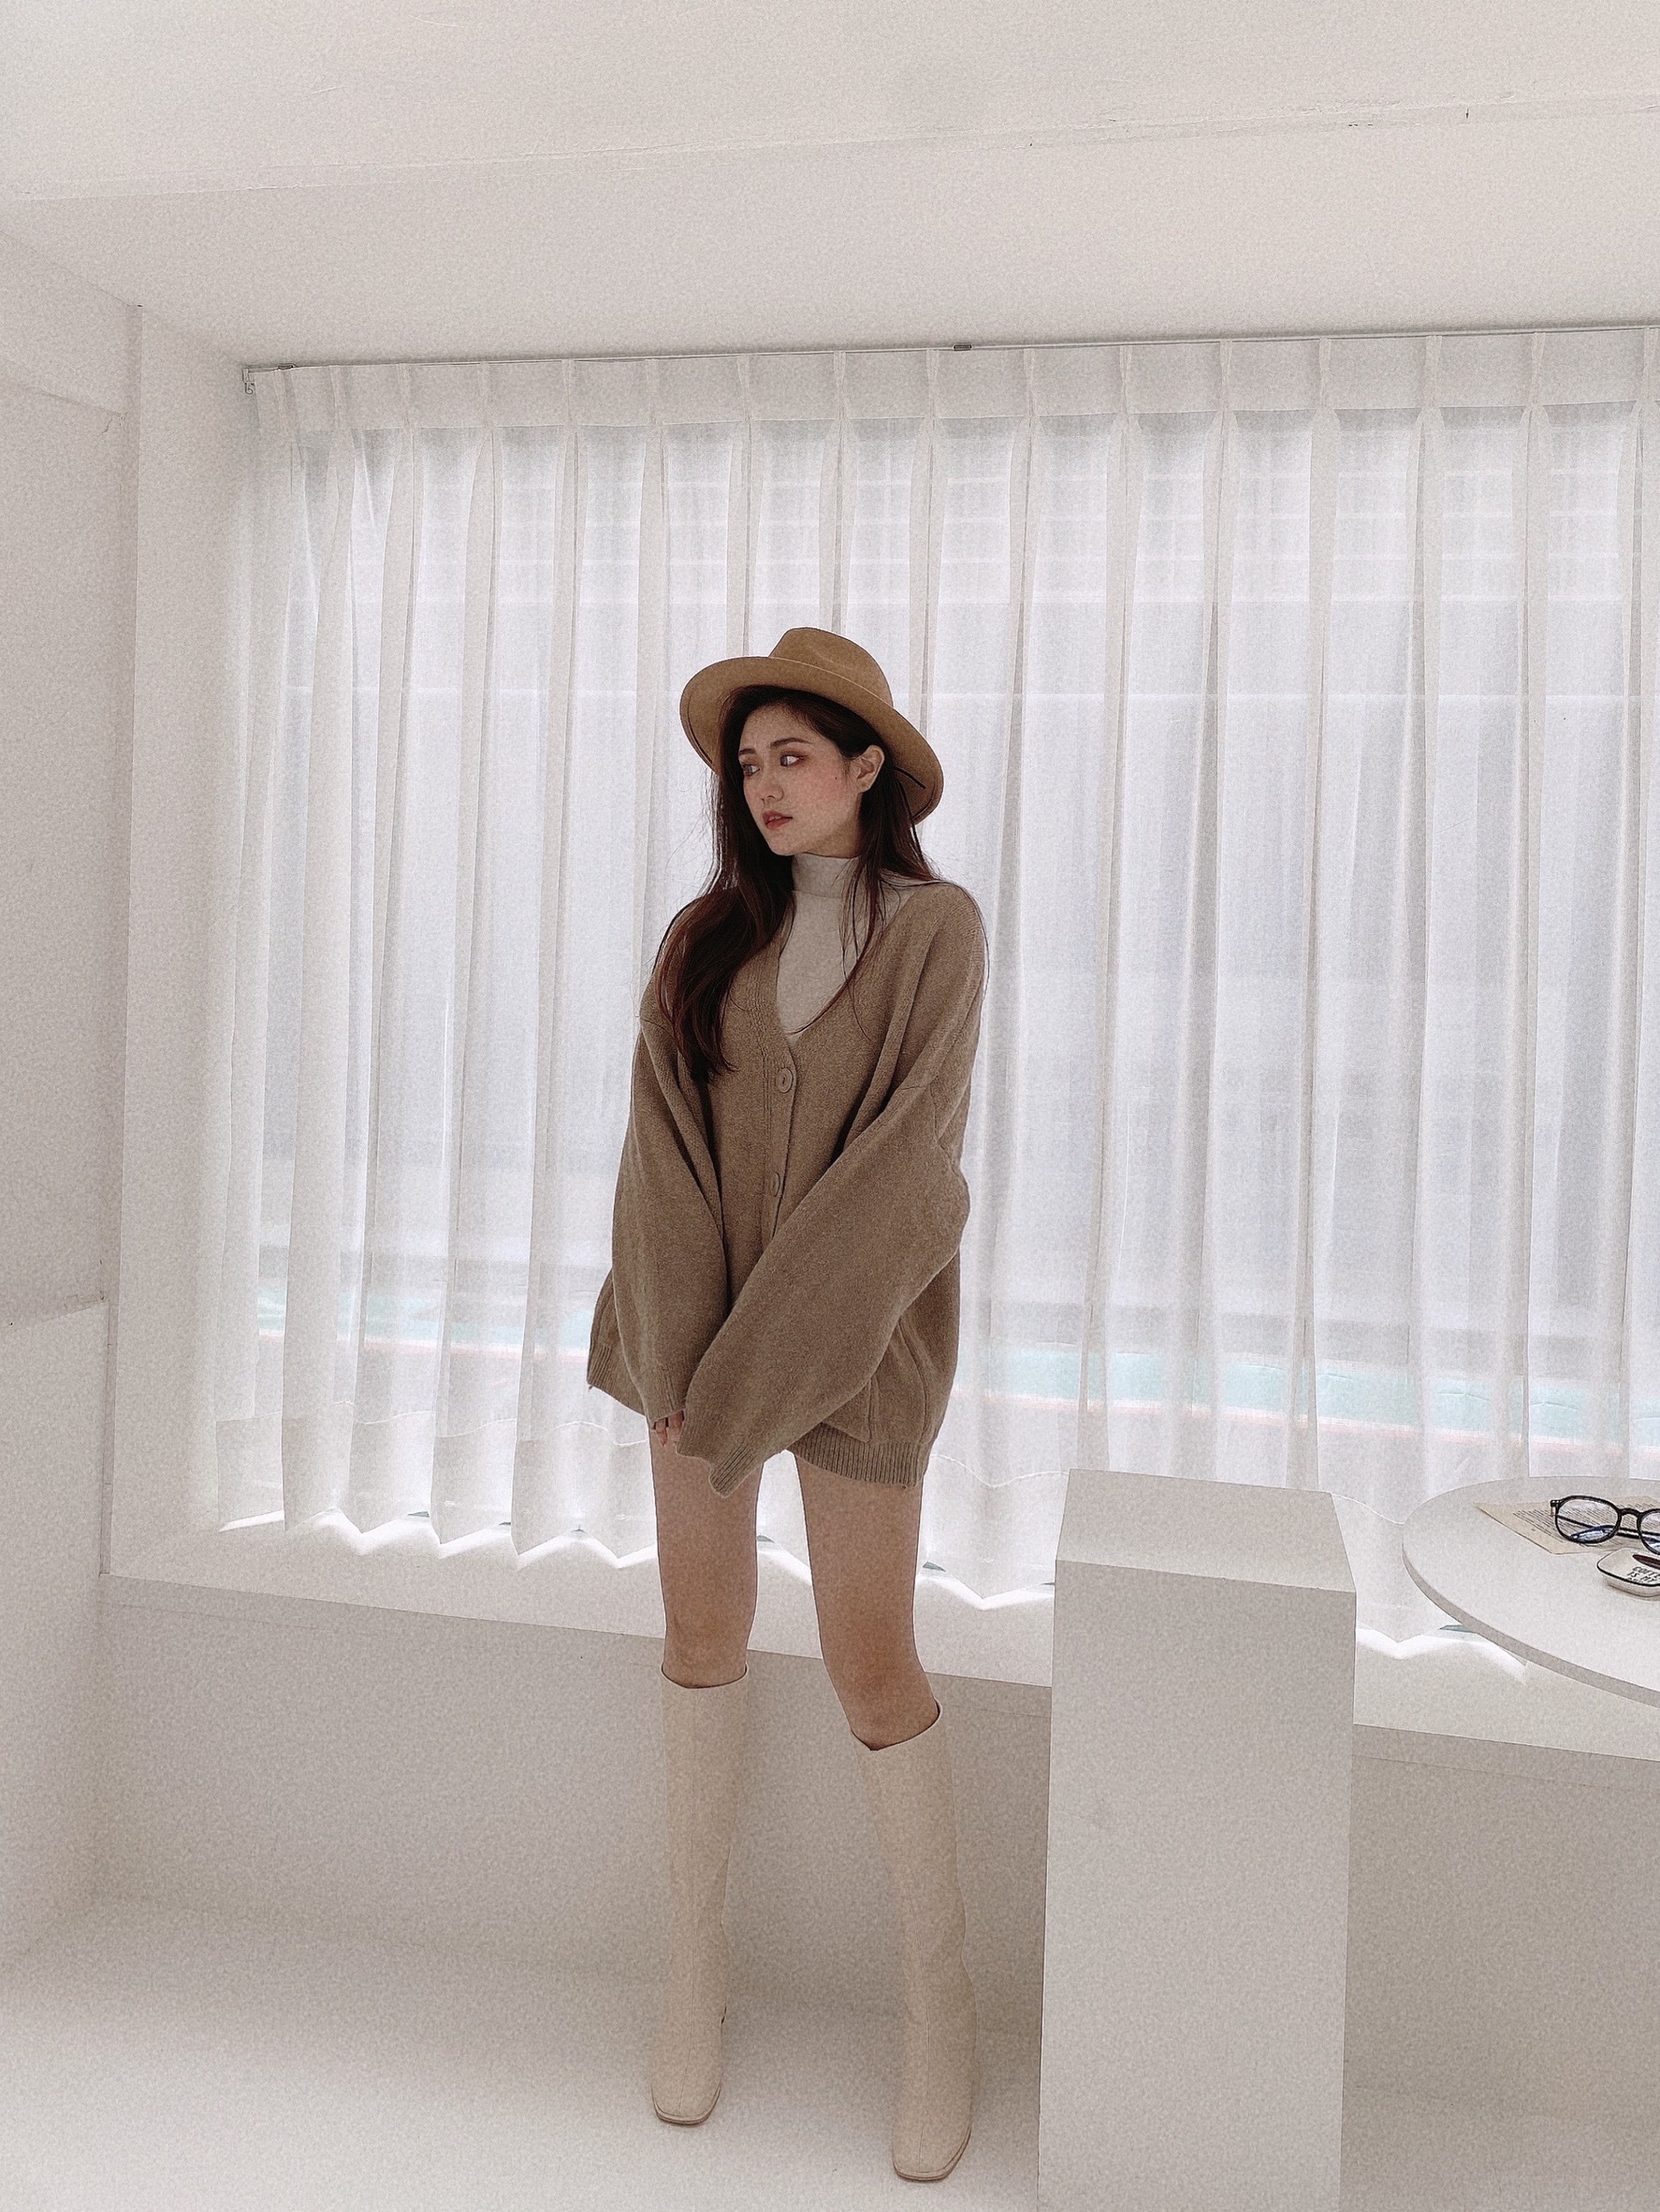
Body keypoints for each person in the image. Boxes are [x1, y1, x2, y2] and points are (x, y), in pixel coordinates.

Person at [586, 626, 986, 2182]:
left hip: (862, 1342)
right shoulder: (706, 936)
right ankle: (693, 1974)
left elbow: (908, 1169)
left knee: (870, 1664)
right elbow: (660, 1156)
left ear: (866, 766)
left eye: (793, 757)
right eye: (747, 764)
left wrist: (748, 1376)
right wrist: (684, 1363)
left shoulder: (935, 932)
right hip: (693, 1356)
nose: (763, 785)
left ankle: (938, 2012)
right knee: (700, 1637)